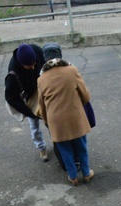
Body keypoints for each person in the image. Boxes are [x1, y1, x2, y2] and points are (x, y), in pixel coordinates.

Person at [37, 58, 94, 186]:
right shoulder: (72, 70)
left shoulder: (41, 79)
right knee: (81, 146)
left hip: (56, 120)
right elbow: (85, 96)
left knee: (65, 149)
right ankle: (86, 174)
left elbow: (42, 106)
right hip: (75, 116)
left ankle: (73, 177)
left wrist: (47, 122)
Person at [4, 43, 49, 162]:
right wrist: (29, 112)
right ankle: (41, 147)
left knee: (51, 119)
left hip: (43, 89)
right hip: (29, 96)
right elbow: (10, 97)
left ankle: (58, 142)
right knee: (34, 124)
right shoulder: (13, 74)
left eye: (34, 63)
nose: (33, 68)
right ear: (21, 64)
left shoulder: (37, 51)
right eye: (29, 66)